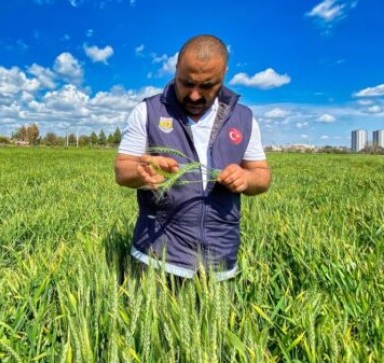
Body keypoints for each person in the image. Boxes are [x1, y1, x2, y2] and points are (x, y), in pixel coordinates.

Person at [114, 34, 271, 283]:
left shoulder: (244, 118)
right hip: (156, 257)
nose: (195, 95)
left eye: (207, 86)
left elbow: (262, 175)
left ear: (224, 75)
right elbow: (122, 170)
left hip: (220, 260)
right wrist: (141, 171)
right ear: (176, 68)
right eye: (187, 83)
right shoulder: (148, 111)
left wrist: (245, 178)